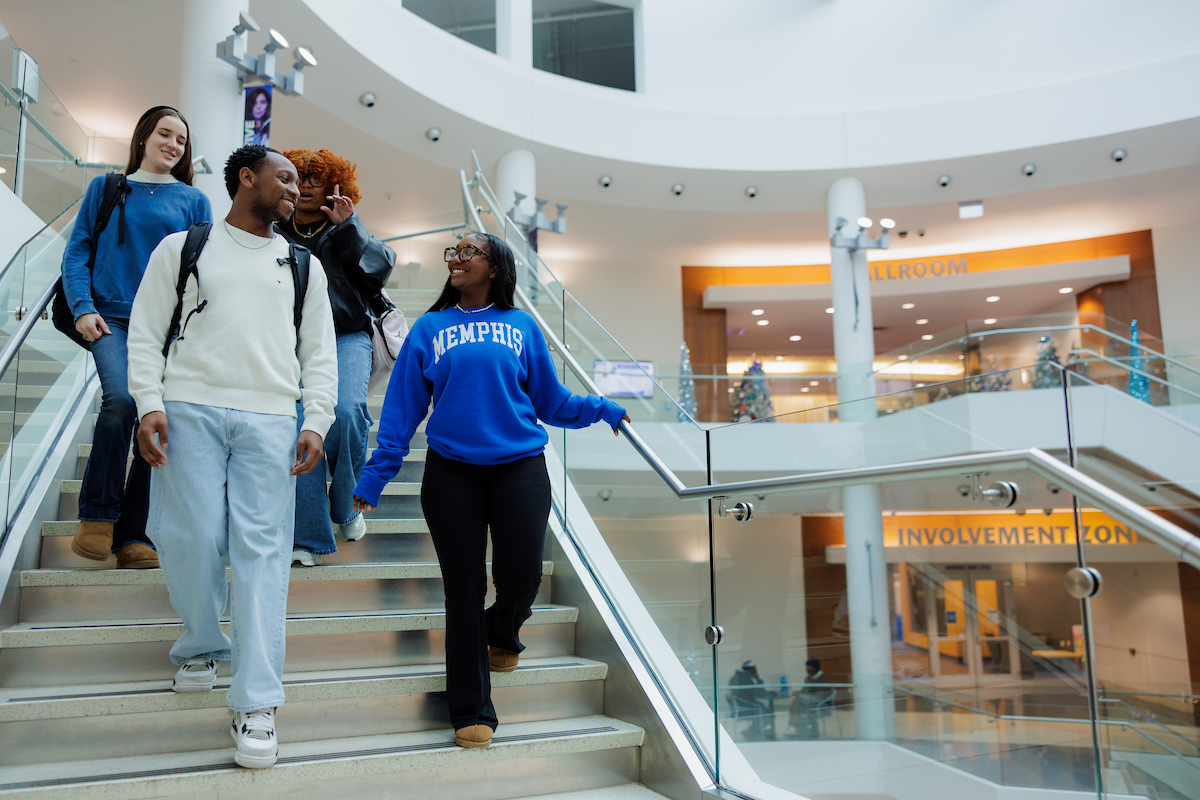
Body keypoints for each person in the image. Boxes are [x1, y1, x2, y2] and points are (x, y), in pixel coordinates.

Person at [352, 233, 628, 749]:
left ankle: (503, 629)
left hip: (519, 465)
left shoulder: (521, 326)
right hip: (451, 471)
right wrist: (375, 476)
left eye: (467, 251)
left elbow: (551, 401)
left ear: (496, 267)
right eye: (451, 252)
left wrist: (600, 408)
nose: (455, 259)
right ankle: (471, 708)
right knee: (463, 592)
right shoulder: (430, 328)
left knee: (521, 574)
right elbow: (402, 411)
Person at [127, 144, 338, 769]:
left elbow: (319, 352)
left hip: (272, 417)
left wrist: (317, 420)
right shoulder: (183, 248)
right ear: (248, 179)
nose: (297, 189)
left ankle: (257, 701)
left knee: (262, 552)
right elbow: (144, 330)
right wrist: (147, 402)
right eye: (287, 178)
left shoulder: (304, 265)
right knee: (186, 534)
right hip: (188, 405)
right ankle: (199, 641)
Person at [61, 106, 212, 569]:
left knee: (157, 416)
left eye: (181, 140)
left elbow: (201, 272)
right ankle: (97, 517)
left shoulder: (193, 200)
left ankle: (135, 533)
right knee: (123, 401)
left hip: (167, 328)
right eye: (164, 134)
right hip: (109, 319)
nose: (173, 144)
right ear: (144, 137)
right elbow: (77, 250)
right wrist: (83, 309)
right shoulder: (107, 187)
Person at [279, 149, 395, 566]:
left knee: (346, 413)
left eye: (317, 178)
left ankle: (345, 506)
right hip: (289, 344)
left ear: (334, 186)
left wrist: (351, 227)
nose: (307, 185)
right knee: (300, 424)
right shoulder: (274, 229)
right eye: (299, 177)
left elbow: (379, 269)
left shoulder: (346, 228)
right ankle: (308, 538)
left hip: (347, 335)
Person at [789, 658, 837, 739]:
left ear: (815, 668)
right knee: (797, 703)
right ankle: (799, 728)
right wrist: (798, 693)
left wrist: (805, 697)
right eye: (807, 666)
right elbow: (804, 691)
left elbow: (820, 697)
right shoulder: (808, 679)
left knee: (797, 703)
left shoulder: (823, 681)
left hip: (821, 707)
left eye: (809, 667)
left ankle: (793, 726)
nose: (807, 669)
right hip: (808, 705)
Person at [728, 660, 772, 740]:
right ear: (750, 669)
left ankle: (751, 732)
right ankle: (752, 732)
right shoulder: (746, 679)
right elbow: (758, 693)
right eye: (754, 669)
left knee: (762, 708)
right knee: (768, 713)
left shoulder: (738, 677)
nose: (756, 671)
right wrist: (757, 678)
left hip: (740, 706)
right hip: (745, 708)